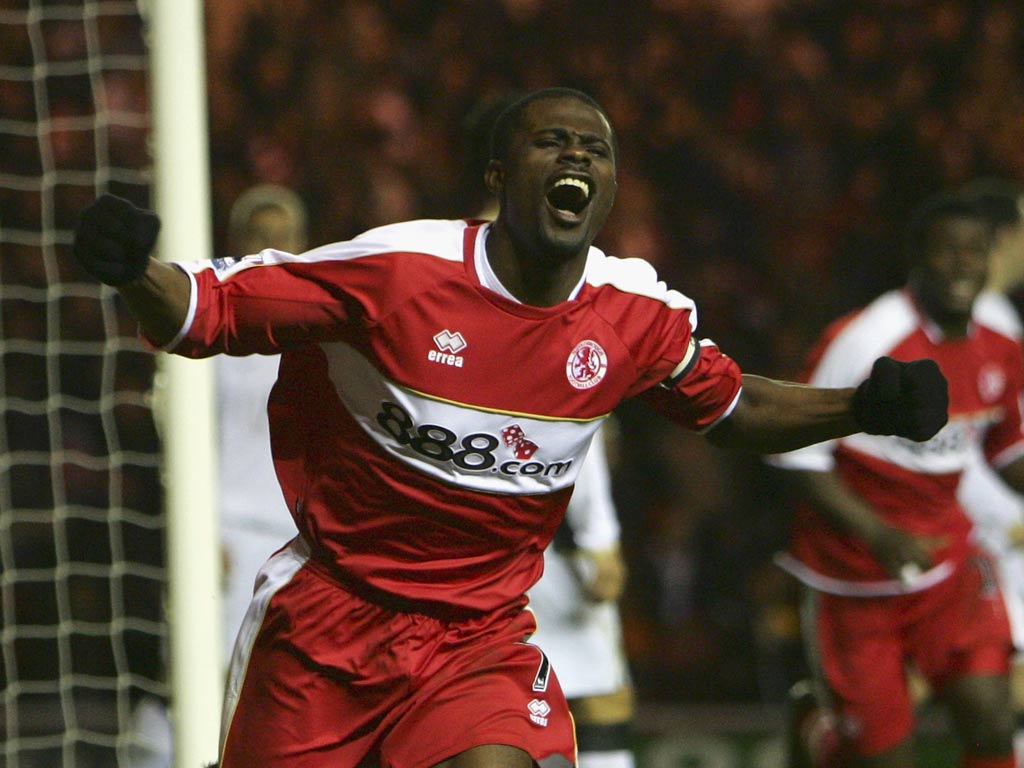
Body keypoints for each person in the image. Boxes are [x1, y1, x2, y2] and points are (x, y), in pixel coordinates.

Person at [71, 87, 948, 768]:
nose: (577, 155)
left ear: (607, 186)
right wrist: (135, 273)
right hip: (332, 620)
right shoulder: (396, 272)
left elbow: (732, 408)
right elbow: (214, 309)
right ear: (499, 176)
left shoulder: (635, 315)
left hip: (477, 636)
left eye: (595, 148)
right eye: (553, 140)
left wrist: (859, 408)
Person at [771, 190, 1022, 768]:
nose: (963, 264)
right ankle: (818, 732)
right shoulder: (865, 340)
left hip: (949, 567)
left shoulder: (1001, 344)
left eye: (975, 251)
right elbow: (796, 455)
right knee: (885, 758)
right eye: (947, 251)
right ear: (918, 258)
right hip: (856, 580)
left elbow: (1007, 449)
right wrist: (878, 533)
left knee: (992, 718)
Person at [216, 184, 307, 665]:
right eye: (259, 235)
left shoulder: (318, 337)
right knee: (223, 665)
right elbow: (191, 447)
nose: (270, 249)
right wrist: (205, 528)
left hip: (302, 535)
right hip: (233, 532)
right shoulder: (213, 344)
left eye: (283, 236)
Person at [955, 178, 1024, 757]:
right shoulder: (987, 322)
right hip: (987, 543)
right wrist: (1005, 517)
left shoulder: (994, 318)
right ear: (1003, 237)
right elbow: (962, 444)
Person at [527, 422, 636, 768]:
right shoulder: (566, 376)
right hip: (557, 555)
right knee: (602, 698)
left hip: (500, 549)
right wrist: (600, 540)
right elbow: (579, 429)